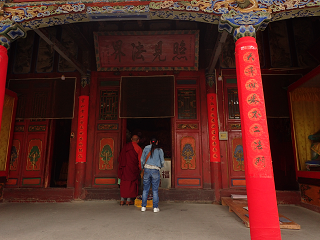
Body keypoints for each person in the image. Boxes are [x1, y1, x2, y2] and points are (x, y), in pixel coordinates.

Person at [140, 137, 165, 213]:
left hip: (147, 169)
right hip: (155, 170)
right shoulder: (160, 150)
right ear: (157, 142)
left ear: (150, 142)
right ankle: (155, 207)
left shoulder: (146, 148)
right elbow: (162, 161)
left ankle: (143, 207)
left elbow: (142, 159)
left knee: (145, 189)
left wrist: (143, 167)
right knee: (155, 190)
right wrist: (159, 167)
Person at [118, 135, 142, 206]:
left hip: (125, 168)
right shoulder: (138, 148)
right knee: (131, 184)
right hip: (132, 169)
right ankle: (128, 200)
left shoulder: (125, 147)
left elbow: (120, 158)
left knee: (124, 184)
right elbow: (140, 160)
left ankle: (122, 200)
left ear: (131, 139)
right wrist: (141, 169)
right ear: (138, 140)